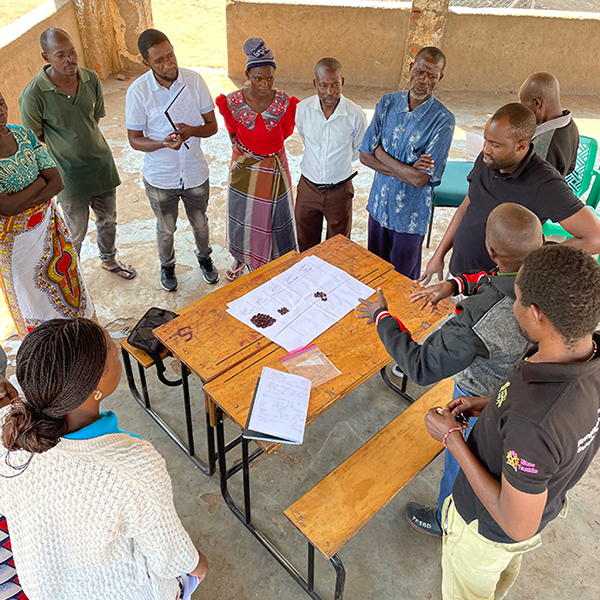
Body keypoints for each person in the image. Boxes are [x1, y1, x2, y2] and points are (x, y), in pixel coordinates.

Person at [424, 244, 600, 600]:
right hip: (538, 500)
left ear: (536, 314)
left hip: (485, 533)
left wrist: (452, 440)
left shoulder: (533, 424)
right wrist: (492, 406)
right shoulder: (585, 354)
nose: (513, 305)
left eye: (516, 300)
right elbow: (547, 425)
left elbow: (517, 524)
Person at [357, 203, 544, 535]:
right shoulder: (548, 273)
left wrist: (382, 317)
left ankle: (448, 520)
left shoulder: (476, 322)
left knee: (462, 462)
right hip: (521, 387)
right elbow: (495, 279)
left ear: (490, 251)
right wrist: (455, 285)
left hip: (478, 398)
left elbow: (419, 366)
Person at [0, 318, 209, 599]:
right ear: (96, 386)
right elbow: (168, 557)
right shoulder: (132, 465)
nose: (118, 350)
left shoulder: (8, 427)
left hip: (43, 586)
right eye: (113, 351)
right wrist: (196, 563)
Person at [421, 103, 600, 283]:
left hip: (496, 289)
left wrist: (536, 260)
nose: (486, 148)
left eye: (495, 144)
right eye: (486, 140)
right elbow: (466, 206)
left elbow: (595, 238)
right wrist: (439, 255)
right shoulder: (489, 160)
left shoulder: (545, 183)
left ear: (521, 146)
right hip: (458, 277)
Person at [19, 28, 136, 280]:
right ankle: (73, 276)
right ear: (45, 57)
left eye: (72, 52)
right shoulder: (33, 95)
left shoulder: (90, 79)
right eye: (60, 55)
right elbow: (35, 136)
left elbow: (93, 118)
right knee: (75, 232)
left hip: (101, 166)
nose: (70, 59)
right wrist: (67, 147)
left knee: (108, 221)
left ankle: (108, 260)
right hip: (68, 175)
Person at [126, 29, 219, 291]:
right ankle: (167, 266)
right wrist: (161, 143)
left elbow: (211, 126)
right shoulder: (138, 92)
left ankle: (205, 259)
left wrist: (191, 130)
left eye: (171, 55)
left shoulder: (194, 81)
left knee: (200, 223)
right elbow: (134, 139)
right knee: (166, 228)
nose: (169, 65)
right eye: (159, 61)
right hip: (160, 177)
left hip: (194, 172)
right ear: (146, 63)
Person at [0, 90, 95, 339]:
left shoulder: (22, 134)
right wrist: (39, 183)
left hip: (49, 229)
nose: (0, 110)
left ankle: (81, 341)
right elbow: (6, 208)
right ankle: (50, 353)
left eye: (0, 102)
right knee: (33, 298)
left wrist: (24, 196)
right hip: (15, 245)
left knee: (67, 282)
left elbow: (57, 181)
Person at [359, 46, 455, 280]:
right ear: (410, 68)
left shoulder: (443, 120)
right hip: (378, 208)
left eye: (431, 76)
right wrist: (407, 168)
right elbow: (364, 155)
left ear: (439, 78)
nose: (423, 80)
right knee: (375, 277)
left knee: (402, 283)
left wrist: (381, 154)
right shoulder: (387, 103)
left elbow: (421, 179)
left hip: (409, 218)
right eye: (420, 71)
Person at [216, 38, 299, 280]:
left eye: (269, 79)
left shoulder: (284, 103)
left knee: (276, 215)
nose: (264, 84)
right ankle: (241, 256)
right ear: (247, 75)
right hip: (244, 166)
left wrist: (266, 154)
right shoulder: (231, 103)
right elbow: (232, 129)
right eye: (257, 78)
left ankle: (277, 258)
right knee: (242, 214)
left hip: (275, 165)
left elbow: (285, 133)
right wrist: (242, 150)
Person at [294, 57, 367, 252]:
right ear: (314, 84)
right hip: (308, 188)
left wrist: (335, 168)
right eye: (323, 85)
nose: (329, 92)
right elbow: (305, 139)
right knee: (306, 245)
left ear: (342, 82)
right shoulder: (302, 110)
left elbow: (357, 150)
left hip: (339, 192)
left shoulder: (355, 115)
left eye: (335, 85)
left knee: (338, 249)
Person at [519, 72, 579, 177]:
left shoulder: (544, 144)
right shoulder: (571, 126)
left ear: (536, 103)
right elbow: (570, 168)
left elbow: (530, 186)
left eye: (524, 106)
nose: (523, 113)